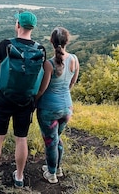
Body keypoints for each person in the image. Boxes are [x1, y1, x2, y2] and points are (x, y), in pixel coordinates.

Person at [0, 11, 40, 188]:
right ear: (33, 27)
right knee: (21, 138)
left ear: (18, 25)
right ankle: (19, 176)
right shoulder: (40, 50)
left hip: (4, 98)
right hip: (25, 100)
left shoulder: (4, 45)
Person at [35, 27, 79, 184]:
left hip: (49, 110)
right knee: (56, 138)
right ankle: (57, 168)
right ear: (67, 41)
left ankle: (52, 173)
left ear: (51, 42)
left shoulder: (49, 64)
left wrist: (33, 102)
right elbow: (72, 83)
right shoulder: (74, 59)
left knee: (51, 142)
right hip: (67, 108)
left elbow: (42, 89)